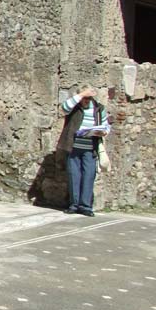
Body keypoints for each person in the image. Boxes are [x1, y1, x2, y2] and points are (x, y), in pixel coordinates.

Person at [56, 86, 111, 217]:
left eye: (88, 98)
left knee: (88, 176)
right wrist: (80, 95)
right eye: (84, 98)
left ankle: (85, 206)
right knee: (74, 175)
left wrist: (103, 131)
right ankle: (74, 205)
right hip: (74, 146)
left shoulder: (99, 109)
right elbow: (64, 108)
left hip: (90, 147)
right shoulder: (74, 106)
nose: (86, 100)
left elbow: (106, 126)